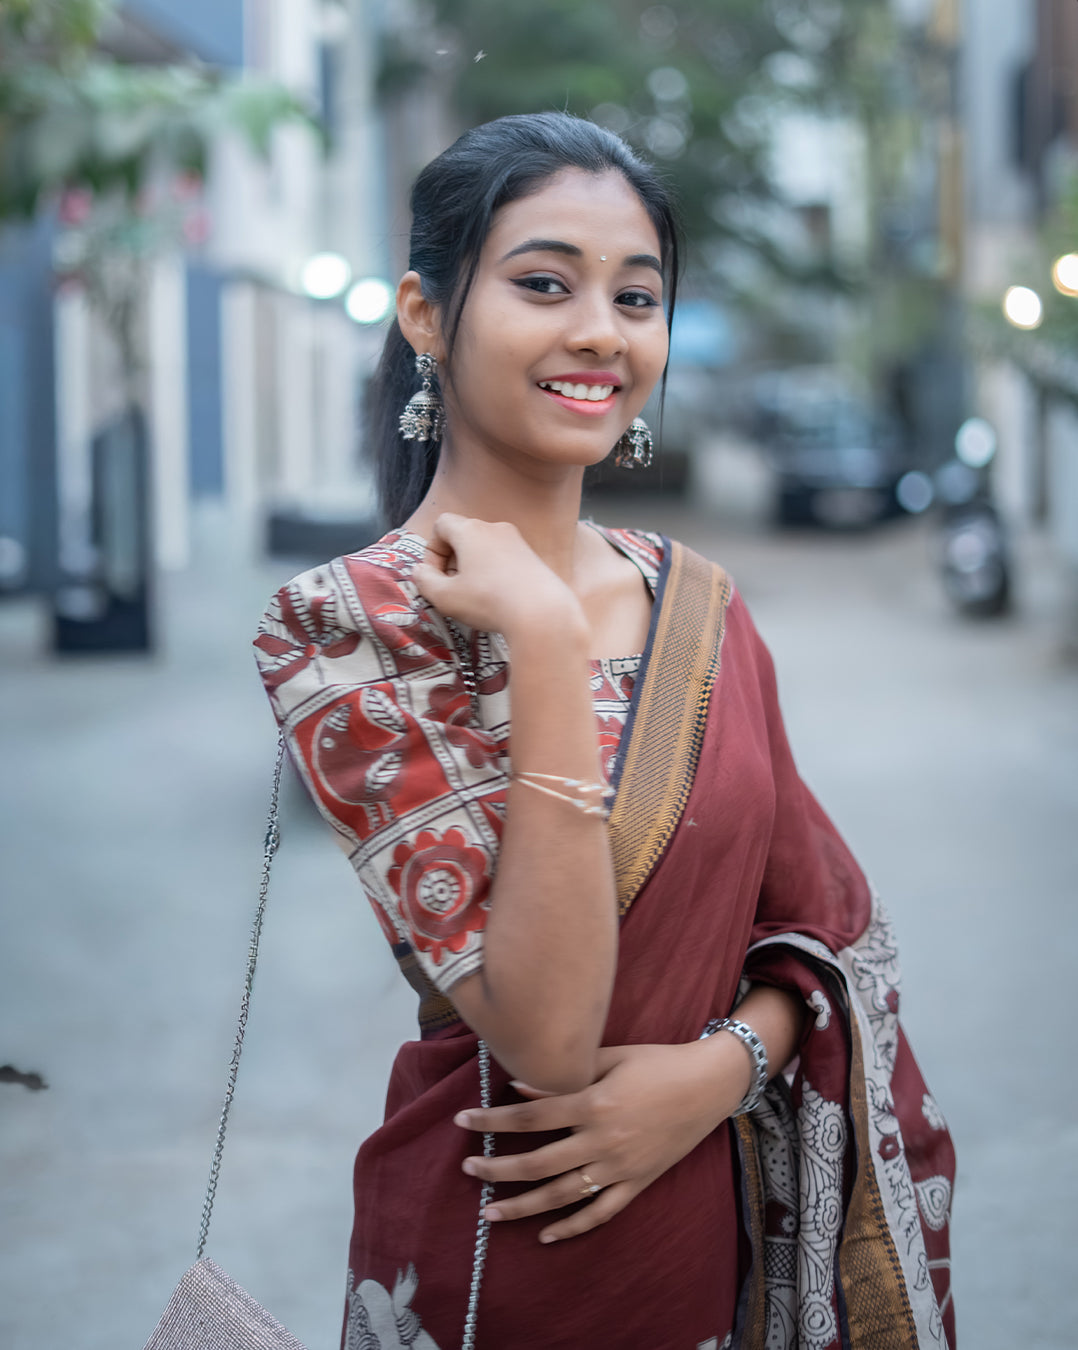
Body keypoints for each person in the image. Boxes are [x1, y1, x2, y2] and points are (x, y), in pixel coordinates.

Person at [254, 112, 955, 1350]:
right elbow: (547, 1031)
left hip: (707, 1243)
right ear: (425, 315)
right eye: (542, 283)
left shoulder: (698, 602)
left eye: (636, 296)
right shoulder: (343, 624)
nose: (598, 330)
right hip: (490, 1265)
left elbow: (829, 928)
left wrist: (718, 1073)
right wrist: (543, 640)